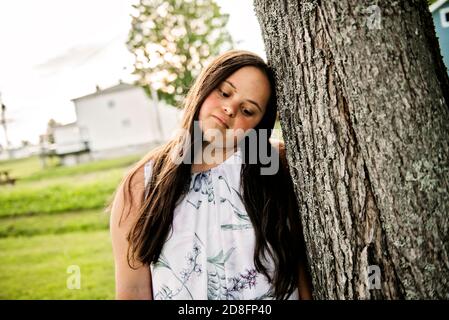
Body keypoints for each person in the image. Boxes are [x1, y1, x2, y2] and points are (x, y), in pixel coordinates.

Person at [108, 50, 312, 300]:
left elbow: (301, 271)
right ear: (205, 86)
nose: (230, 108)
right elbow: (133, 290)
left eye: (247, 110)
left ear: (258, 126)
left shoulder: (279, 167)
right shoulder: (143, 183)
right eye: (224, 93)